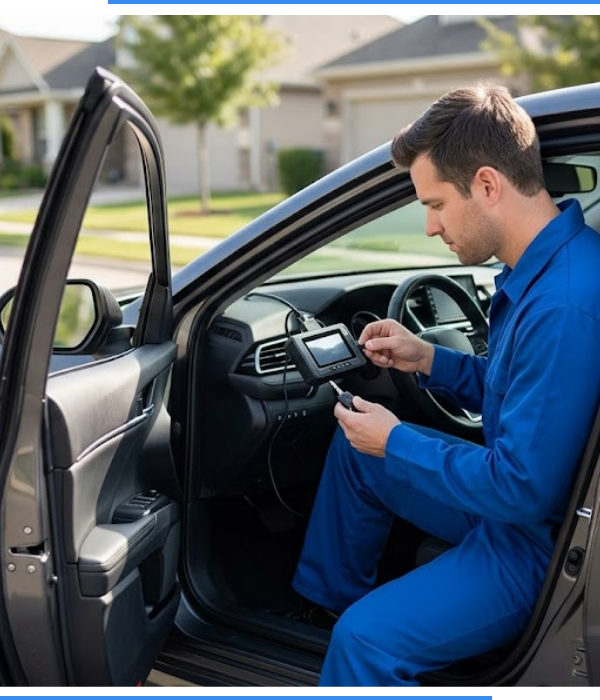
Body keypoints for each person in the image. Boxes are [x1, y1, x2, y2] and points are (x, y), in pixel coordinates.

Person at [290, 84, 600, 686]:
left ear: (487, 185)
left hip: (539, 542)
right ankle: (319, 609)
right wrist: (427, 358)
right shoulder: (545, 267)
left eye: (435, 204)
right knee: (357, 457)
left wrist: (397, 440)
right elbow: (522, 397)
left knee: (366, 641)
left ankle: (353, 649)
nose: (430, 227)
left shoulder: (562, 304)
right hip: (521, 504)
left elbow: (520, 491)